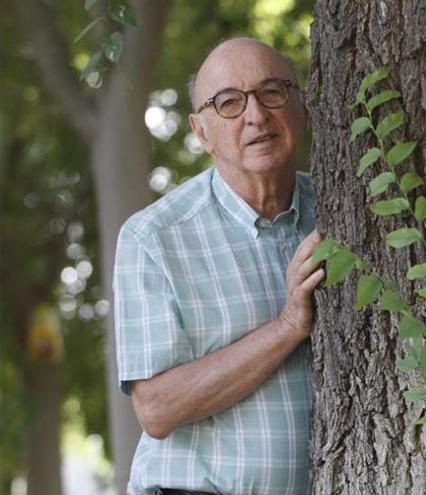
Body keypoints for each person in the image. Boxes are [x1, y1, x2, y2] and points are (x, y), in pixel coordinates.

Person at [113, 38, 324, 495]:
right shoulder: (155, 237)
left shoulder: (339, 212)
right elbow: (156, 408)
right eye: (228, 102)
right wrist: (288, 325)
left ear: (302, 106)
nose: (256, 116)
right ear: (201, 131)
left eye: (272, 92)